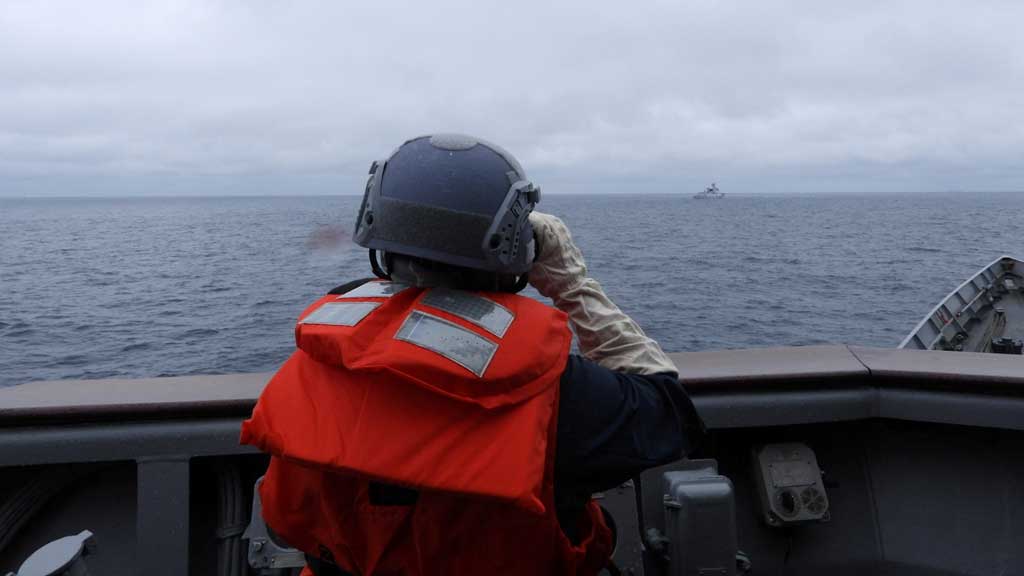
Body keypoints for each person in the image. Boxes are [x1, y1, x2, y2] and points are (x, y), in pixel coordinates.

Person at [240, 134, 705, 575]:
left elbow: (284, 522)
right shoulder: (558, 396)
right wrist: (572, 283)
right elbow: (670, 413)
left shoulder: (322, 356)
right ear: (515, 247)